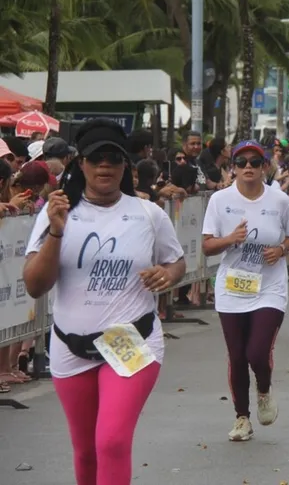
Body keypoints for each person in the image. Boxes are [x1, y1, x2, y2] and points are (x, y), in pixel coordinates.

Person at [22, 119, 186, 485]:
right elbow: (35, 286)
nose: (105, 166)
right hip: (70, 346)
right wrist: (56, 232)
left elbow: (176, 261)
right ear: (80, 163)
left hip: (131, 343)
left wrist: (168, 275)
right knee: (85, 451)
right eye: (96, 158)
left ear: (125, 165)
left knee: (110, 442)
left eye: (114, 158)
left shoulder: (148, 214)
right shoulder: (57, 213)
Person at [201, 140, 289, 441]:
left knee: (257, 352)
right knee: (237, 355)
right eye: (241, 162)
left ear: (264, 167)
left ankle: (265, 388)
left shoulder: (279, 200)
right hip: (232, 287)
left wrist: (282, 249)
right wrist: (230, 238)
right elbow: (206, 246)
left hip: (269, 287)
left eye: (254, 163)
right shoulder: (219, 200)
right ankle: (242, 417)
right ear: (232, 167)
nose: (247, 167)